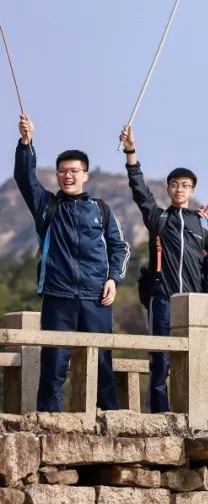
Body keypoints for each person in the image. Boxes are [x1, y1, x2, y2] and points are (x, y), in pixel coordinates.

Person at [15, 113, 129, 411]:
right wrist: (26, 143)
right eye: (63, 171)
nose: (68, 176)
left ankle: (109, 420)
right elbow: (25, 179)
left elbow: (119, 247)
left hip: (96, 297)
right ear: (57, 175)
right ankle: (48, 421)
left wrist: (113, 279)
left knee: (102, 363)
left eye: (74, 171)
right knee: (54, 364)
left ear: (85, 175)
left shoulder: (101, 209)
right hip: (58, 295)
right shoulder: (46, 205)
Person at [119, 125, 208, 413]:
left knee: (193, 361)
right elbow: (139, 190)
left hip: (193, 303)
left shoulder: (203, 224)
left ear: (192, 190)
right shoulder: (158, 218)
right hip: (162, 299)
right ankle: (160, 416)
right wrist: (130, 151)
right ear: (168, 188)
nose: (179, 189)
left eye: (185, 185)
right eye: (175, 184)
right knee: (160, 360)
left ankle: (192, 415)